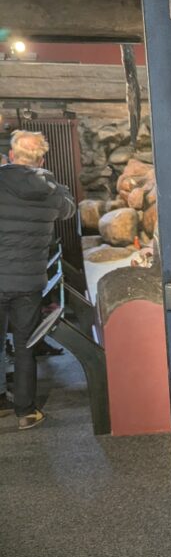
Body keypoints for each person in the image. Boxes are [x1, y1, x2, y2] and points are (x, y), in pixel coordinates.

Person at [0, 130, 75, 429]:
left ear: (12, 155)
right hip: (29, 281)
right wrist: (54, 181)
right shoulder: (50, 188)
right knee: (25, 344)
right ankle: (26, 412)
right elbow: (68, 209)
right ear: (42, 158)